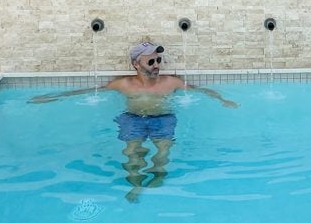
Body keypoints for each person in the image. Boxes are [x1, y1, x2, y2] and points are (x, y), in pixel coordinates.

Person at [31, 42, 237, 201]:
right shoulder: (124, 84)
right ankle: (136, 183)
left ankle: (157, 177)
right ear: (136, 64)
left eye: (158, 60)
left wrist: (222, 99)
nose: (156, 65)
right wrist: (53, 97)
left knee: (163, 150)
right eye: (151, 62)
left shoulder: (171, 82)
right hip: (132, 119)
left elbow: (199, 90)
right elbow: (87, 92)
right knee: (131, 152)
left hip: (163, 118)